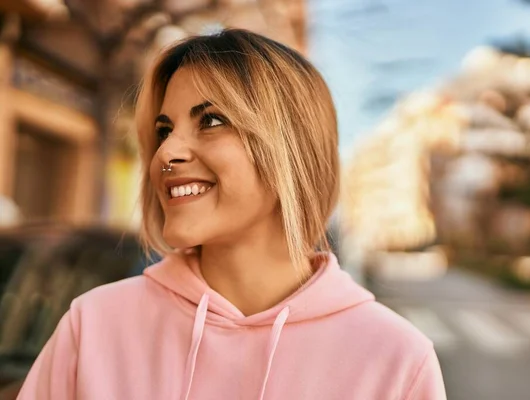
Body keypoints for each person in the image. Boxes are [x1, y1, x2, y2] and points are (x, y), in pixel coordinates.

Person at [17, 29, 446, 400]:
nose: (166, 152)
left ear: (291, 152)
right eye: (164, 130)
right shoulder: (92, 327)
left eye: (211, 121)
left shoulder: (396, 362)